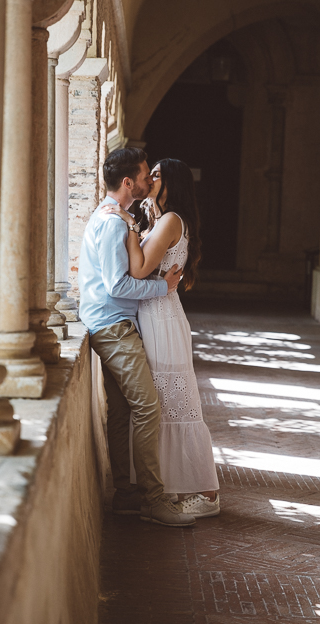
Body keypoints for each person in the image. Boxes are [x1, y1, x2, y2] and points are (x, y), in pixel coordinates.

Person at [78, 147, 196, 527]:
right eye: (146, 175)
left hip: (104, 322)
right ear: (128, 182)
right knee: (148, 407)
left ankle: (126, 495)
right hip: (113, 325)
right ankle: (154, 499)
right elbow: (117, 284)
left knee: (122, 411)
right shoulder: (113, 222)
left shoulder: (114, 217)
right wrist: (163, 287)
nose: (149, 180)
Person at [104, 158, 220, 517]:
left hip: (160, 318)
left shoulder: (170, 220)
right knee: (165, 405)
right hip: (157, 313)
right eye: (148, 174)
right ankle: (171, 484)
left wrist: (128, 225)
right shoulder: (164, 219)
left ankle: (206, 493)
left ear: (171, 182)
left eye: (156, 175)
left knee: (172, 405)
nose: (149, 179)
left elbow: (138, 269)